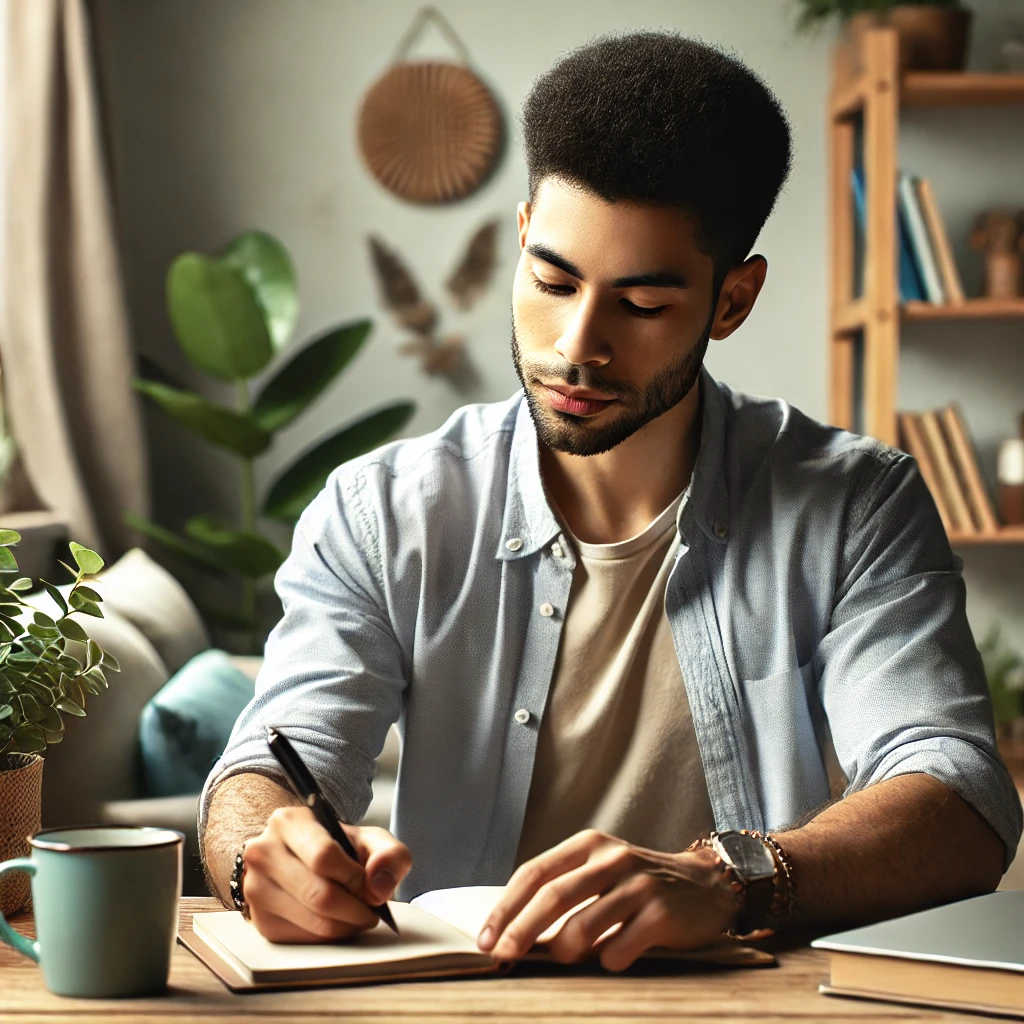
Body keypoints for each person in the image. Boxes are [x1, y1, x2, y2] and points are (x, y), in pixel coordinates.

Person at [199, 30, 1022, 971]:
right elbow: (266, 769)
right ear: (520, 237)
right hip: (458, 1000)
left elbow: (961, 798)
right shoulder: (381, 511)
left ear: (732, 301)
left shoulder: (853, 505)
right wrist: (264, 858)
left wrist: (733, 878)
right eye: (552, 281)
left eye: (639, 305)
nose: (576, 345)